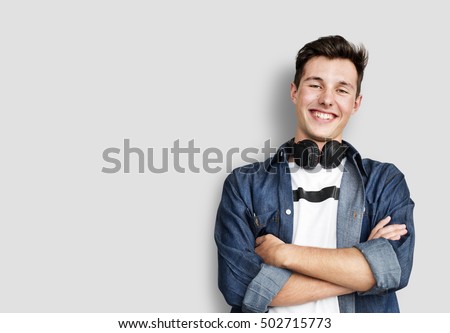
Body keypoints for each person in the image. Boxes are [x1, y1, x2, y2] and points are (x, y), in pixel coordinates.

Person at [214, 35, 415, 313]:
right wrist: (365, 269)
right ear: (295, 92)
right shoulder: (245, 184)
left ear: (356, 103)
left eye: (341, 90)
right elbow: (239, 286)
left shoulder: (384, 182)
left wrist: (284, 254)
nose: (326, 99)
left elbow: (397, 269)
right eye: (315, 85)